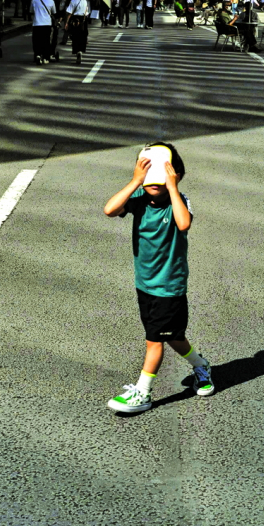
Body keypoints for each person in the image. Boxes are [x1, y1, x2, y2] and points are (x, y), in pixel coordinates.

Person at [102, 142, 212, 414]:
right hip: (145, 284)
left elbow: (183, 223)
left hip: (169, 287)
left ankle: (143, 393)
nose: (155, 183)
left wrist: (172, 186)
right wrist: (136, 180)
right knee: (173, 337)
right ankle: (201, 366)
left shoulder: (180, 200)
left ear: (174, 176)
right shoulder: (138, 201)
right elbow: (109, 209)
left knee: (154, 340)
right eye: (150, 176)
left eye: (161, 177)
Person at [64, 0, 91, 65]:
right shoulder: (85, 1)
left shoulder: (73, 0)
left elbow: (69, 13)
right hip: (82, 20)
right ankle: (80, 51)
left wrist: (66, 23)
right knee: (82, 37)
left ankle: (76, 51)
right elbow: (86, 13)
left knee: (75, 37)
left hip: (74, 20)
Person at [30, 0, 56, 64]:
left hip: (36, 24)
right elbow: (54, 12)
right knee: (46, 41)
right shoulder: (51, 1)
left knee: (36, 40)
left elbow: (31, 12)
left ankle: (37, 55)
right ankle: (45, 57)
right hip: (47, 24)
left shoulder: (34, 0)